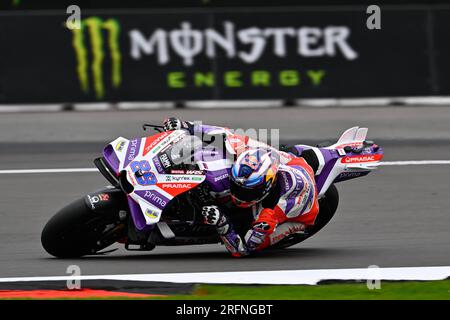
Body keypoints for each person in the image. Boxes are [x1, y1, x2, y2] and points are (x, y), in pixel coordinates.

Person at [163, 117, 320, 257]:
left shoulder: (270, 215)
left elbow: (242, 249)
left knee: (246, 228)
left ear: (263, 189)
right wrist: (186, 126)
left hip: (303, 213)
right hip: (293, 163)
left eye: (245, 192)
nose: (237, 195)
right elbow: (223, 134)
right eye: (236, 186)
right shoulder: (246, 151)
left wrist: (222, 223)